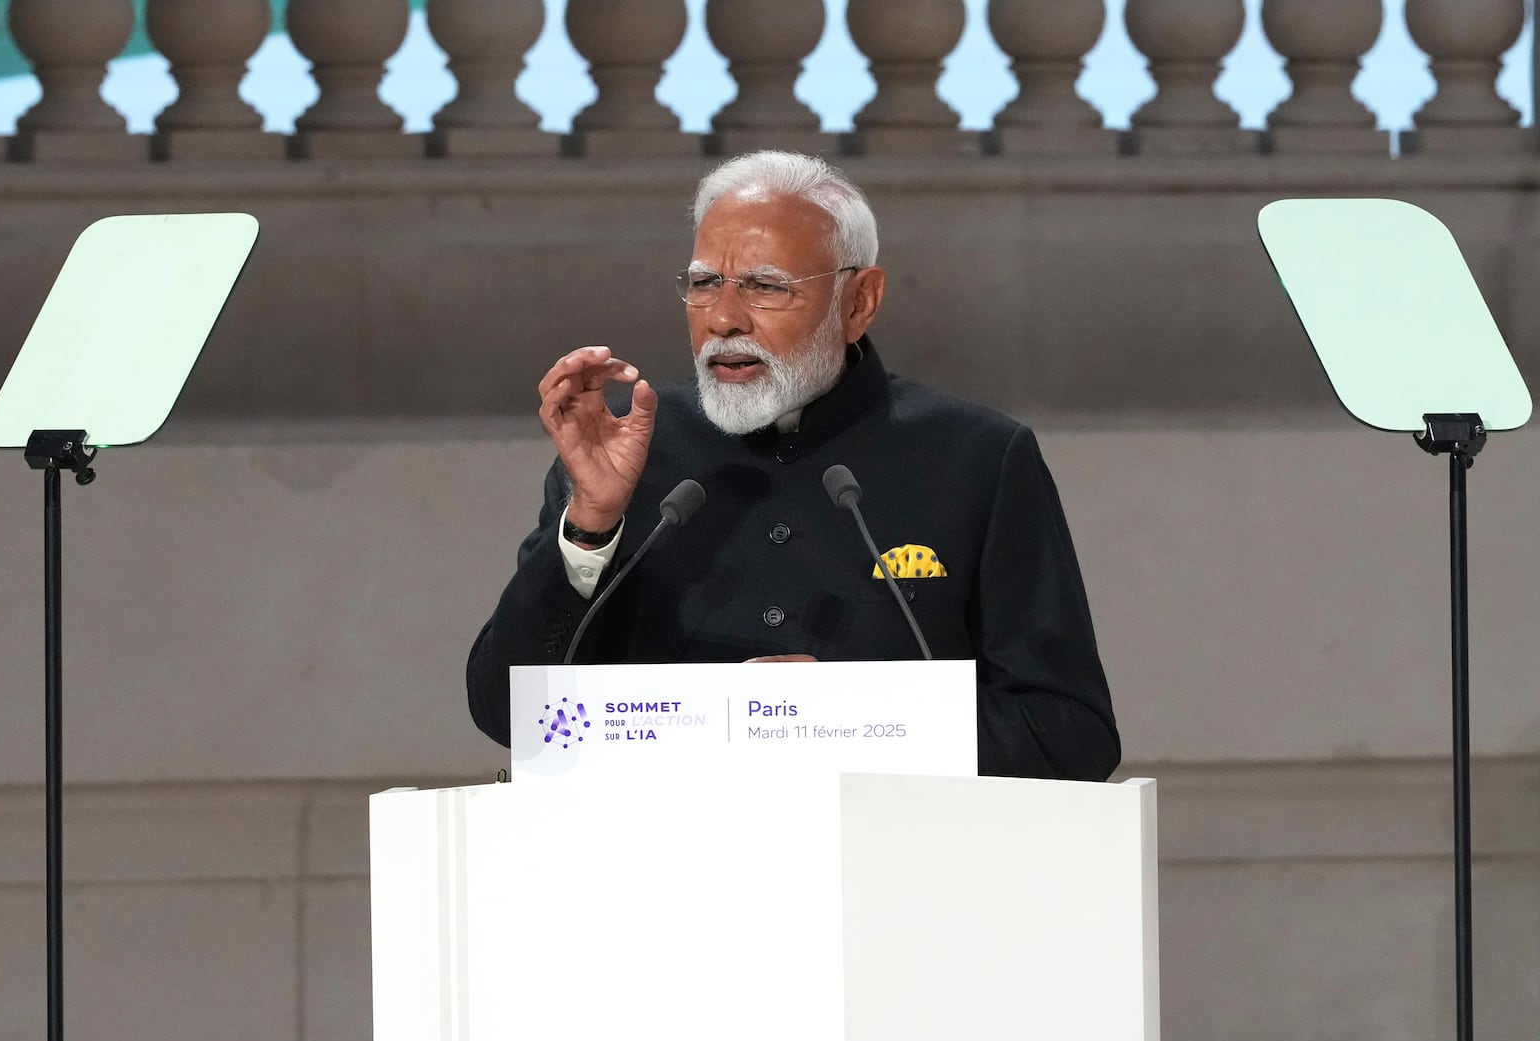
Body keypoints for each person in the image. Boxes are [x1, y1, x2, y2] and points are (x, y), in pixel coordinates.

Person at [466, 151, 1118, 781]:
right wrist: (590, 525)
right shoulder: (624, 450)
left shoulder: (976, 457)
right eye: (703, 283)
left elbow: (1068, 730)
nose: (723, 318)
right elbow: (509, 712)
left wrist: (842, 720)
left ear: (859, 302)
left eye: (766, 286)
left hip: (895, 877)